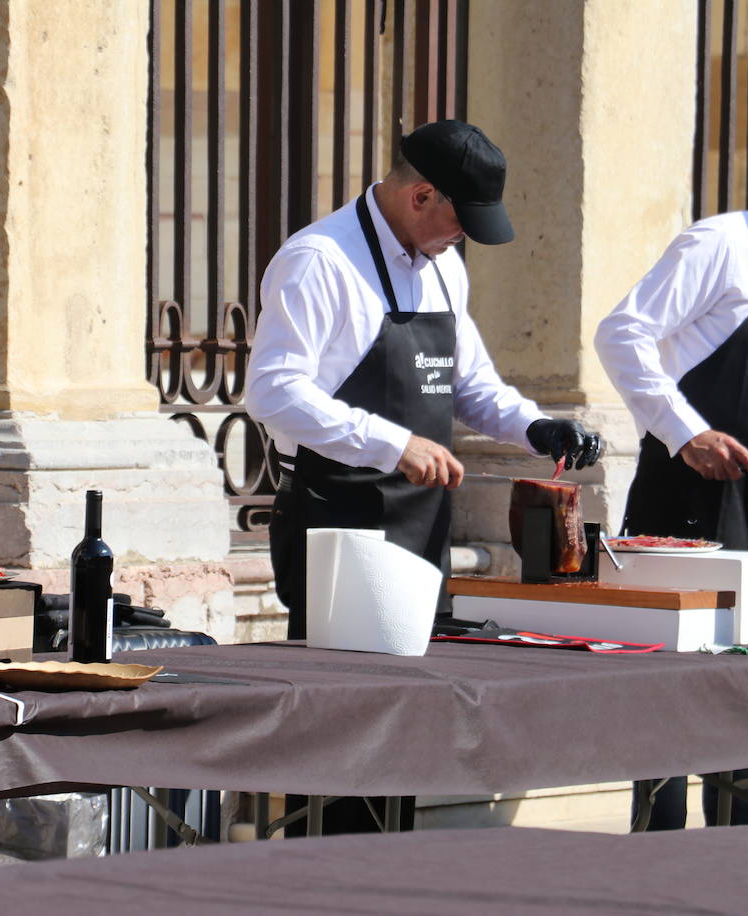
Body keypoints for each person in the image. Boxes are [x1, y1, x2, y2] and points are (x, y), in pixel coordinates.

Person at [247, 119, 602, 834]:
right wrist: (389, 442)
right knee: (342, 740)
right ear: (421, 197)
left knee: (406, 732)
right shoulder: (320, 261)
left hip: (419, 532)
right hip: (341, 528)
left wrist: (537, 426)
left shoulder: (442, 265)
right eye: (459, 221)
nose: (464, 238)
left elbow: (469, 384)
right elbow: (274, 391)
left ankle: (389, 880)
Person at [594, 193, 748, 829]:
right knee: (670, 700)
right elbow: (621, 333)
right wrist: (685, 433)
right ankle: (656, 860)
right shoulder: (723, 245)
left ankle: (735, 863)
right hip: (689, 502)